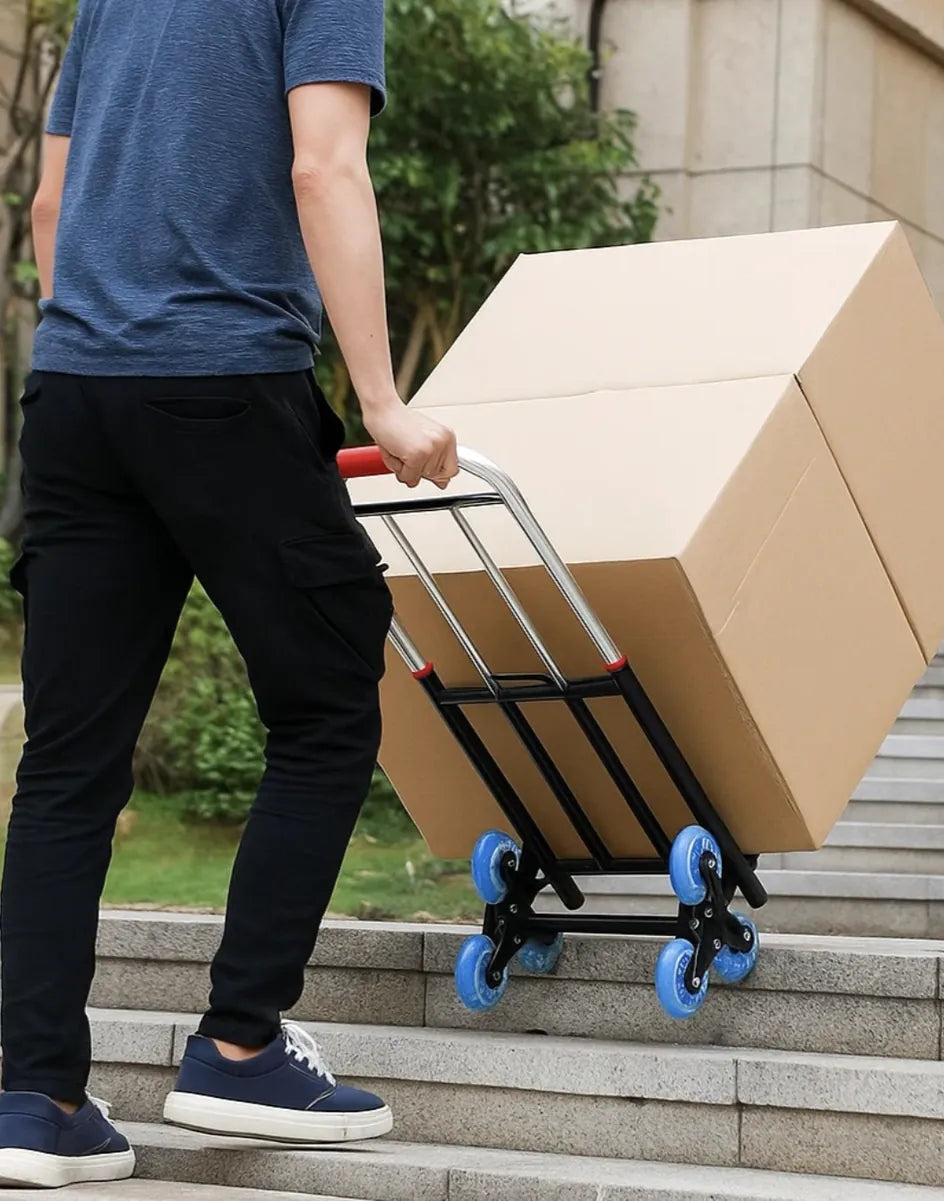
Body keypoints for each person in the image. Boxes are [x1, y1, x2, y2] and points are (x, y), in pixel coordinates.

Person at [0, 0, 458, 1188]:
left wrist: (102, 337)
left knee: (66, 762)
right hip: (224, 382)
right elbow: (325, 163)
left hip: (76, 394)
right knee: (327, 698)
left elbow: (51, 207)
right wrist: (383, 401)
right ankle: (241, 1043)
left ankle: (33, 1098)